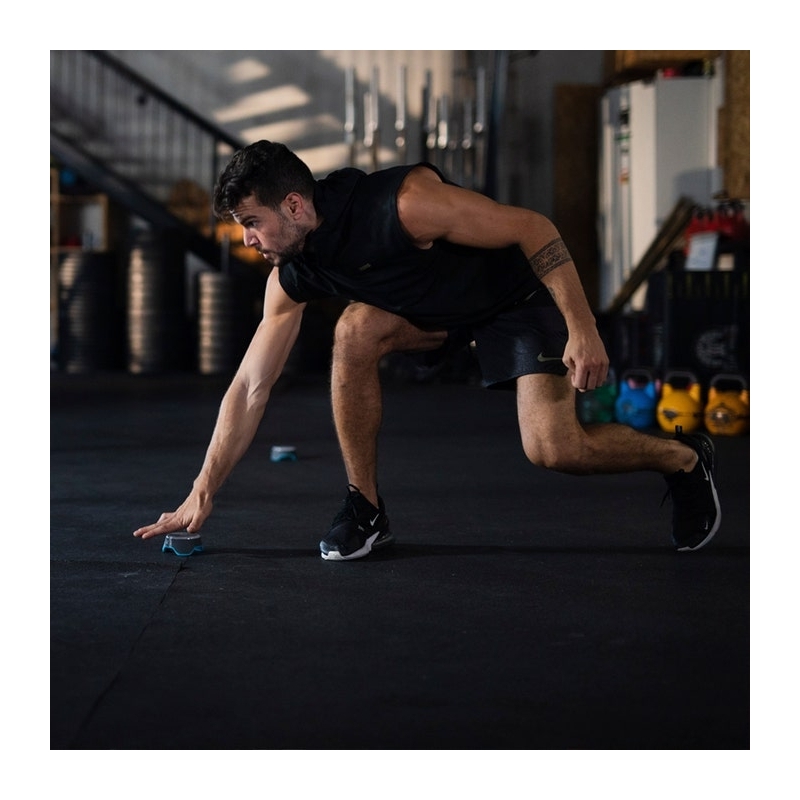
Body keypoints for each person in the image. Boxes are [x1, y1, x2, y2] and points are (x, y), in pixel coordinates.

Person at [133, 140, 721, 560]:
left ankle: (683, 458)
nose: (246, 239)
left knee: (554, 449)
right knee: (354, 330)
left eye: (251, 221)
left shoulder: (404, 204)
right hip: (435, 318)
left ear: (293, 206)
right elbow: (249, 387)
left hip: (512, 304)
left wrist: (582, 326)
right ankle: (365, 509)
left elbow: (534, 227)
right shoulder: (292, 271)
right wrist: (201, 491)